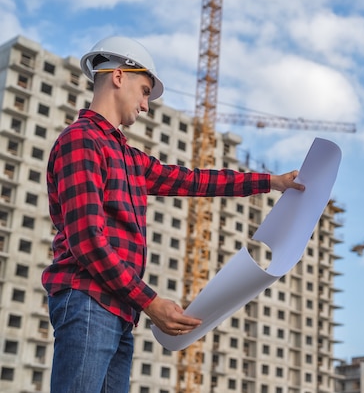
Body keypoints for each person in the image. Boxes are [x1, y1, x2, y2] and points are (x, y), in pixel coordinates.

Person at [42, 36, 305, 393]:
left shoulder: (129, 157)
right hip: (88, 301)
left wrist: (269, 181)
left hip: (119, 310)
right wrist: (151, 302)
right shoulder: (82, 141)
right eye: (145, 90)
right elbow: (87, 240)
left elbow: (194, 180)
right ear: (119, 77)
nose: (146, 105)